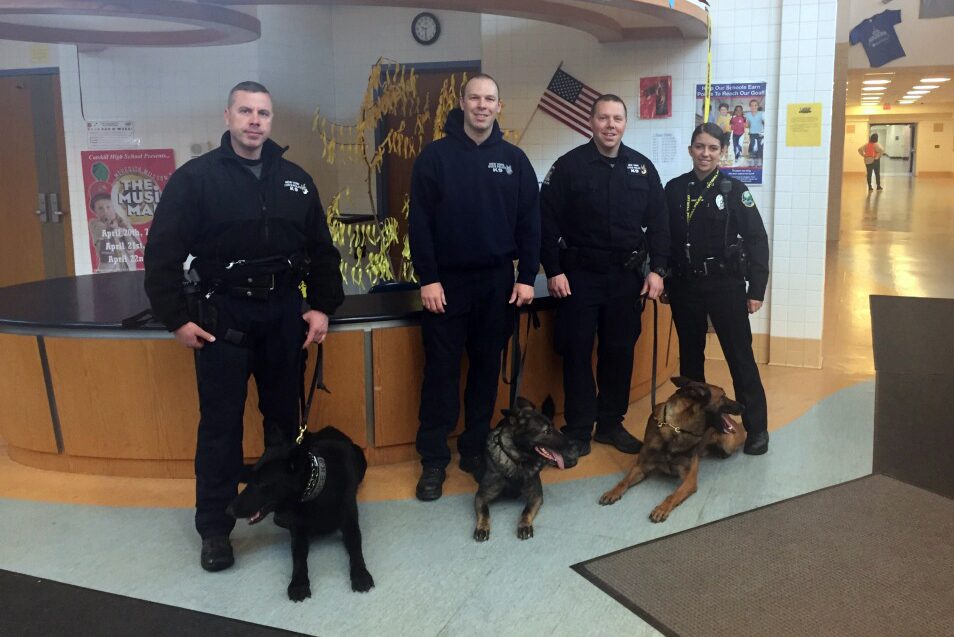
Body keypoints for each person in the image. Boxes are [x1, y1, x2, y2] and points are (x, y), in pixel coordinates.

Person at [143, 81, 344, 571]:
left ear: (271, 121)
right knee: (220, 431)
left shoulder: (295, 179)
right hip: (223, 319)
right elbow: (162, 254)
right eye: (246, 111)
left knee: (284, 428)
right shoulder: (196, 179)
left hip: (283, 316)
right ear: (228, 116)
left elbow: (322, 251)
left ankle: (286, 507)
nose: (255, 121)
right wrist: (176, 318)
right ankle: (215, 529)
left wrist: (321, 307)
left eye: (263, 113)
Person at [408, 74, 540, 501]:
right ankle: (433, 459)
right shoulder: (435, 157)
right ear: (462, 103)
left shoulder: (515, 160)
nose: (482, 105)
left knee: (485, 372)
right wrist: (428, 277)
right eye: (475, 98)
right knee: (441, 374)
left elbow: (530, 224)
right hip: (445, 284)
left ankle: (473, 449)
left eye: (490, 99)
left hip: (497, 284)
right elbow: (420, 224)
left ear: (499, 107)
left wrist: (525, 277)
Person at [540, 94, 669, 467]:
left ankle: (611, 423)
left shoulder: (641, 169)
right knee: (577, 351)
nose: (610, 125)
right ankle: (579, 429)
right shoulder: (569, 167)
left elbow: (660, 223)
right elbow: (545, 222)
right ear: (591, 122)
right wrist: (553, 270)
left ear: (625, 124)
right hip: (578, 275)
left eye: (617, 118)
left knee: (619, 350)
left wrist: (658, 269)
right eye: (603, 118)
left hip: (625, 277)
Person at [663, 122, 770, 455]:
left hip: (726, 285)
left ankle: (757, 428)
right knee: (691, 359)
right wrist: (663, 277)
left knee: (740, 357)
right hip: (685, 284)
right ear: (691, 149)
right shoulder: (675, 189)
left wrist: (757, 289)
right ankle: (693, 427)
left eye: (712, 148)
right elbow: (663, 238)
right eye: (699, 146)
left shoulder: (735, 191)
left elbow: (757, 241)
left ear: (722, 151)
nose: (705, 153)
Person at [88, 189, 141, 272]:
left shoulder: (123, 222)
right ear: (95, 212)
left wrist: (124, 225)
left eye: (108, 207)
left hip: (129, 270)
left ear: (115, 207)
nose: (105, 211)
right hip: (108, 272)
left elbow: (134, 246)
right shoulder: (94, 223)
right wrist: (120, 230)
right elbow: (104, 232)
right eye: (100, 208)